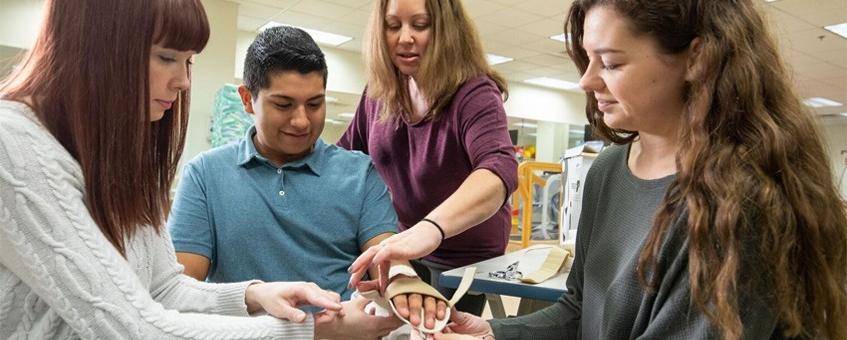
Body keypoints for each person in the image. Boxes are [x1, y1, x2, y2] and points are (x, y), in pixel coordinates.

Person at [428, 0, 847, 339]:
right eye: (587, 60)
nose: (586, 81)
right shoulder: (607, 171)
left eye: (610, 62)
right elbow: (577, 310)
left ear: (696, 59)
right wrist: (492, 333)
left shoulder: (742, 199)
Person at [0, 1, 389, 339]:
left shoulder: (116, 155)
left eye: (188, 61)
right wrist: (311, 330)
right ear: (98, 48)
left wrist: (253, 295)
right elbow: (134, 328)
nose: (184, 81)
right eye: (167, 58)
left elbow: (166, 287)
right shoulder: (13, 146)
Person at [167, 25, 403, 338]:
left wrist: (406, 289)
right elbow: (184, 295)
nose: (302, 120)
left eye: (315, 104)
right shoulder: (205, 175)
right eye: (283, 105)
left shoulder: (359, 174)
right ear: (248, 99)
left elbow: (391, 266)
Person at [341, 0, 519, 320]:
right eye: (393, 26)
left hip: (463, 254)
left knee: (438, 328)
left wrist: (431, 229)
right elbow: (344, 159)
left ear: (445, 31)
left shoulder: (474, 92)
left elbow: (498, 168)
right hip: (405, 243)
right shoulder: (379, 94)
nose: (404, 37)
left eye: (420, 26)